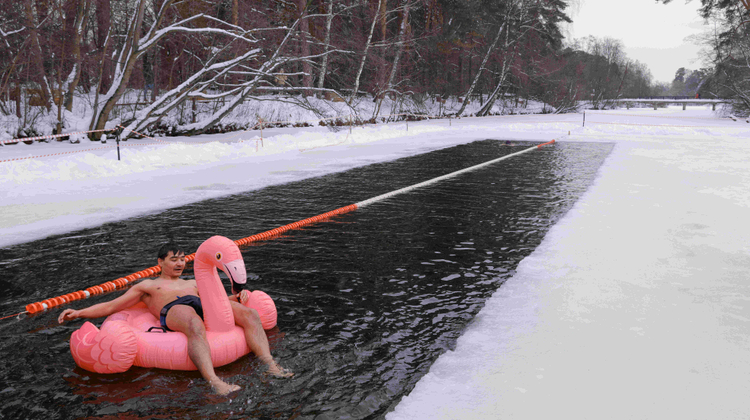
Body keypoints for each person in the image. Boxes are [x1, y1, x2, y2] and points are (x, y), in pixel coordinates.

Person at [58, 243, 293, 395]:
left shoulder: (192, 282)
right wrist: (79, 312)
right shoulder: (149, 286)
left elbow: (218, 302)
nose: (180, 263)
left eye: (182, 259)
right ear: (160, 262)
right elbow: (111, 306)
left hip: (202, 303)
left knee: (250, 314)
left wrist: (238, 297)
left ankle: (270, 365)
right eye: (174, 259)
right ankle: (214, 381)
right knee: (193, 323)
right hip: (174, 309)